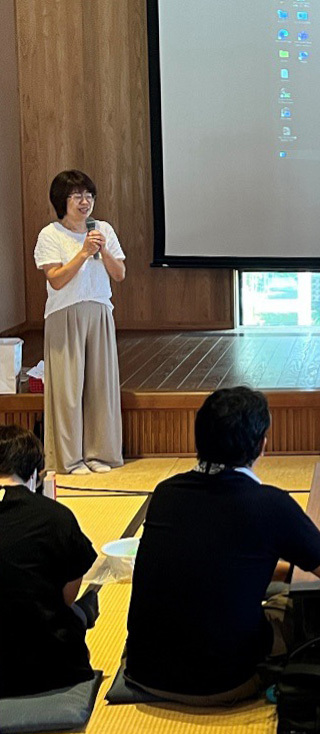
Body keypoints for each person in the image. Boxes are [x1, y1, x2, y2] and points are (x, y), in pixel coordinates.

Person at [125, 387, 320, 705]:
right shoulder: (268, 504)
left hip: (144, 673)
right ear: (262, 445)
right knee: (302, 605)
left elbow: (217, 562)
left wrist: (287, 572)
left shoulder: (165, 494)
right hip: (224, 682)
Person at [33, 170, 126, 475]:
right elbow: (56, 280)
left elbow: (119, 274)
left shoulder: (103, 230)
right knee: (68, 390)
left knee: (101, 386)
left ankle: (101, 454)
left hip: (99, 310)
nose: (85, 202)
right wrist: (84, 253)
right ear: (62, 201)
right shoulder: (50, 235)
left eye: (89, 195)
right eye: (77, 196)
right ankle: (69, 459)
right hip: (65, 314)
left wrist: (103, 251)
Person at [0, 424, 100, 697]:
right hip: (51, 668)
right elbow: (67, 591)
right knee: (66, 610)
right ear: (34, 475)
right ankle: (83, 614)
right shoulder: (56, 516)